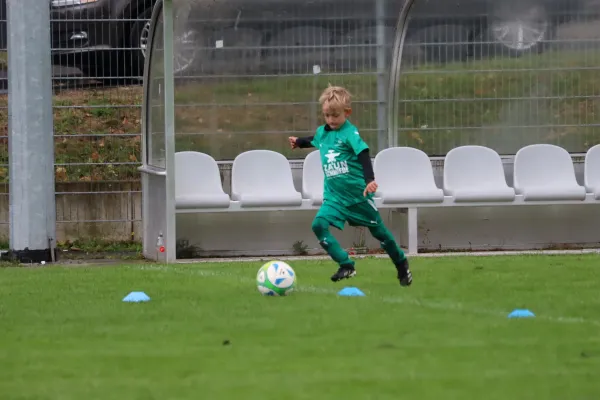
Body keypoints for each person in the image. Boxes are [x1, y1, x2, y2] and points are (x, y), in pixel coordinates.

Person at [288, 85, 412, 286]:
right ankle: (346, 264)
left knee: (380, 234)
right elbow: (315, 139)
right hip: (334, 198)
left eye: (335, 116)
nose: (330, 120)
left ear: (347, 112)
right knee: (318, 225)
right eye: (327, 115)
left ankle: (400, 262)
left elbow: (363, 154)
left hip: (357, 197)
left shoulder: (350, 133)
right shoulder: (324, 132)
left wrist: (369, 180)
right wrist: (299, 142)